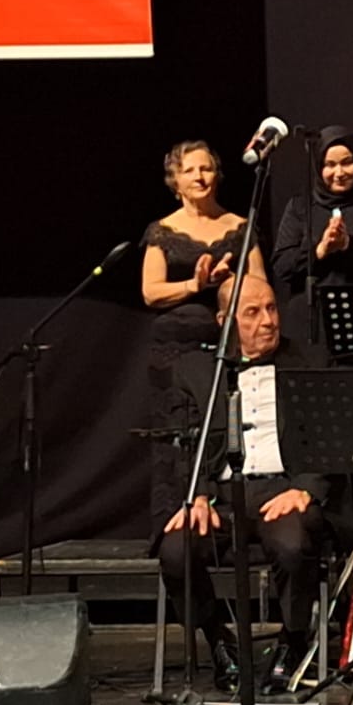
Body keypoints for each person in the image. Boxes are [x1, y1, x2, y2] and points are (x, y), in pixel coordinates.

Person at [158, 276, 331, 695]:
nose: (268, 320)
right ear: (225, 321)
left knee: (293, 545)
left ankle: (293, 640)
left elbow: (330, 437)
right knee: (176, 551)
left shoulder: (309, 361)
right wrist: (197, 494)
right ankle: (219, 640)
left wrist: (305, 489)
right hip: (222, 496)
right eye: (253, 312)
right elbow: (181, 445)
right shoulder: (196, 371)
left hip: (282, 491)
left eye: (271, 308)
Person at [141, 141, 268, 531]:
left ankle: (233, 517)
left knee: (228, 428)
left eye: (206, 169)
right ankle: (176, 524)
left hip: (229, 348)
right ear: (175, 181)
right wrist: (195, 286)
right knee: (179, 435)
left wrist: (230, 284)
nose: (200, 177)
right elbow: (151, 292)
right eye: (190, 170)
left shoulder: (240, 226)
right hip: (174, 352)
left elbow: (260, 284)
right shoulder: (162, 231)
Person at [271, 126, 353, 344]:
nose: (339, 173)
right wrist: (320, 250)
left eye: (347, 162)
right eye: (330, 165)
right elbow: (282, 265)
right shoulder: (300, 207)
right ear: (318, 166)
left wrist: (349, 244)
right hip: (308, 325)